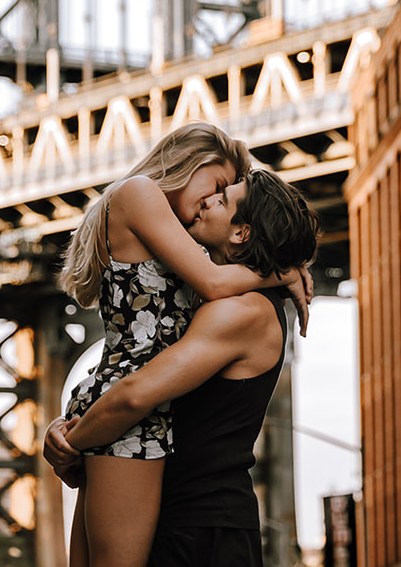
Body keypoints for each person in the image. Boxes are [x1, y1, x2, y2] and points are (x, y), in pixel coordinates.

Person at [55, 124, 313, 567]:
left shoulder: (211, 281)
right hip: (126, 412)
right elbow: (212, 284)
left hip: (122, 409)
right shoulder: (140, 195)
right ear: (190, 161)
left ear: (242, 233)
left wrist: (74, 435)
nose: (212, 200)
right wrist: (280, 272)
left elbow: (206, 290)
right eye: (216, 185)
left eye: (224, 195)